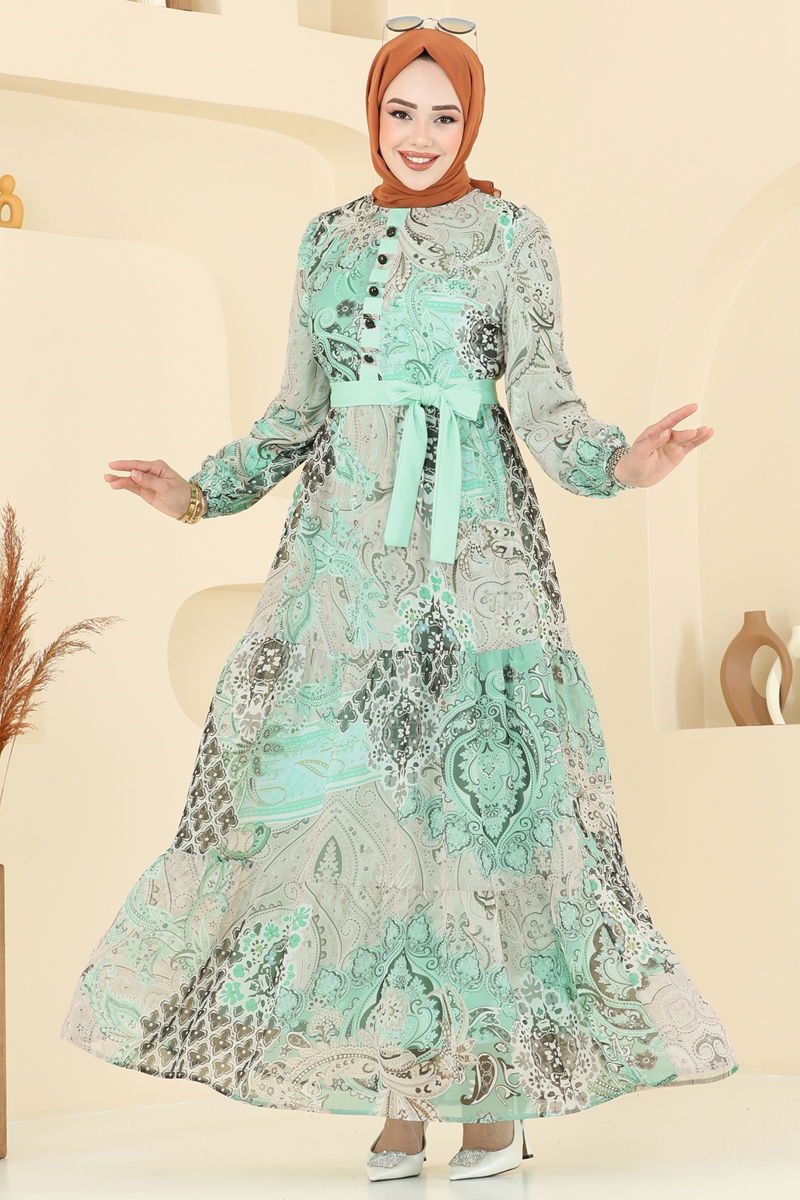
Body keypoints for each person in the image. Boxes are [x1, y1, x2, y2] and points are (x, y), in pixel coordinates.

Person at [61, 19, 739, 1184]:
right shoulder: (326, 239)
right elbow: (294, 414)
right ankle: (397, 1095)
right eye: (398, 112)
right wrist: (198, 492)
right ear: (372, 113)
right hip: (341, 571)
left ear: (471, 122)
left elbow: (544, 400)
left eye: (443, 115)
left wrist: (621, 462)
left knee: (472, 824)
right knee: (357, 826)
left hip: (475, 564)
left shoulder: (514, 236)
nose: (419, 136)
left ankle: (489, 1103)